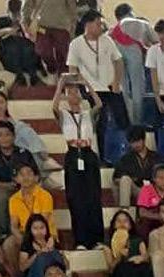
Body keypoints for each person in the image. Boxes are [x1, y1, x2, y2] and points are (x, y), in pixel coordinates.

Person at [53, 75, 103, 248]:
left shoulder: (88, 114)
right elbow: (54, 107)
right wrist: (60, 86)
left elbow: (99, 104)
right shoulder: (64, 115)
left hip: (88, 155)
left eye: (76, 92)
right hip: (73, 155)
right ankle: (80, 240)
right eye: (70, 93)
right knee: (76, 199)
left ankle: (96, 239)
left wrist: (87, 83)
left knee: (93, 197)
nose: (74, 95)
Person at [67, 10, 128, 149]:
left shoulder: (107, 41)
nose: (101, 27)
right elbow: (72, 69)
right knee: (101, 122)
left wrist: (116, 82)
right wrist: (75, 89)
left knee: (123, 119)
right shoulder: (76, 44)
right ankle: (101, 154)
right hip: (92, 90)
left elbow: (119, 61)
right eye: (98, 24)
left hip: (111, 87)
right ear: (88, 25)